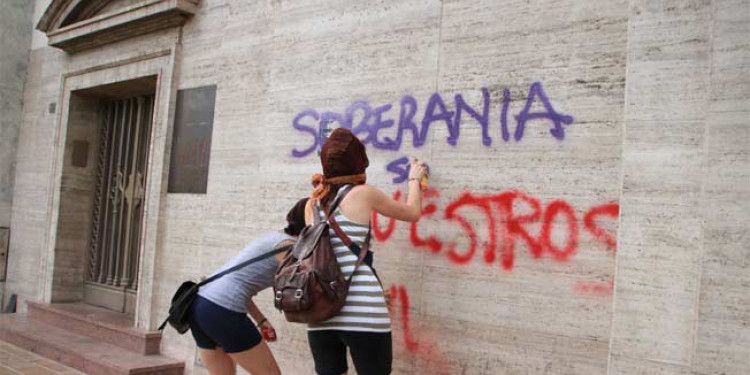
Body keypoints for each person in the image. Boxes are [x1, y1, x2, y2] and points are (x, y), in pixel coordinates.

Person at [305, 128, 427, 375]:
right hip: (364, 312)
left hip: (320, 314)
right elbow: (412, 213)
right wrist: (414, 179)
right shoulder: (362, 194)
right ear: (359, 162)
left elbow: (319, 259)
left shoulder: (312, 202)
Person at [189, 198, 309, 375]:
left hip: (199, 305)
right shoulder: (288, 247)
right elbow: (305, 282)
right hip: (222, 310)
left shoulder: (271, 237)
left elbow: (237, 285)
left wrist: (260, 320)